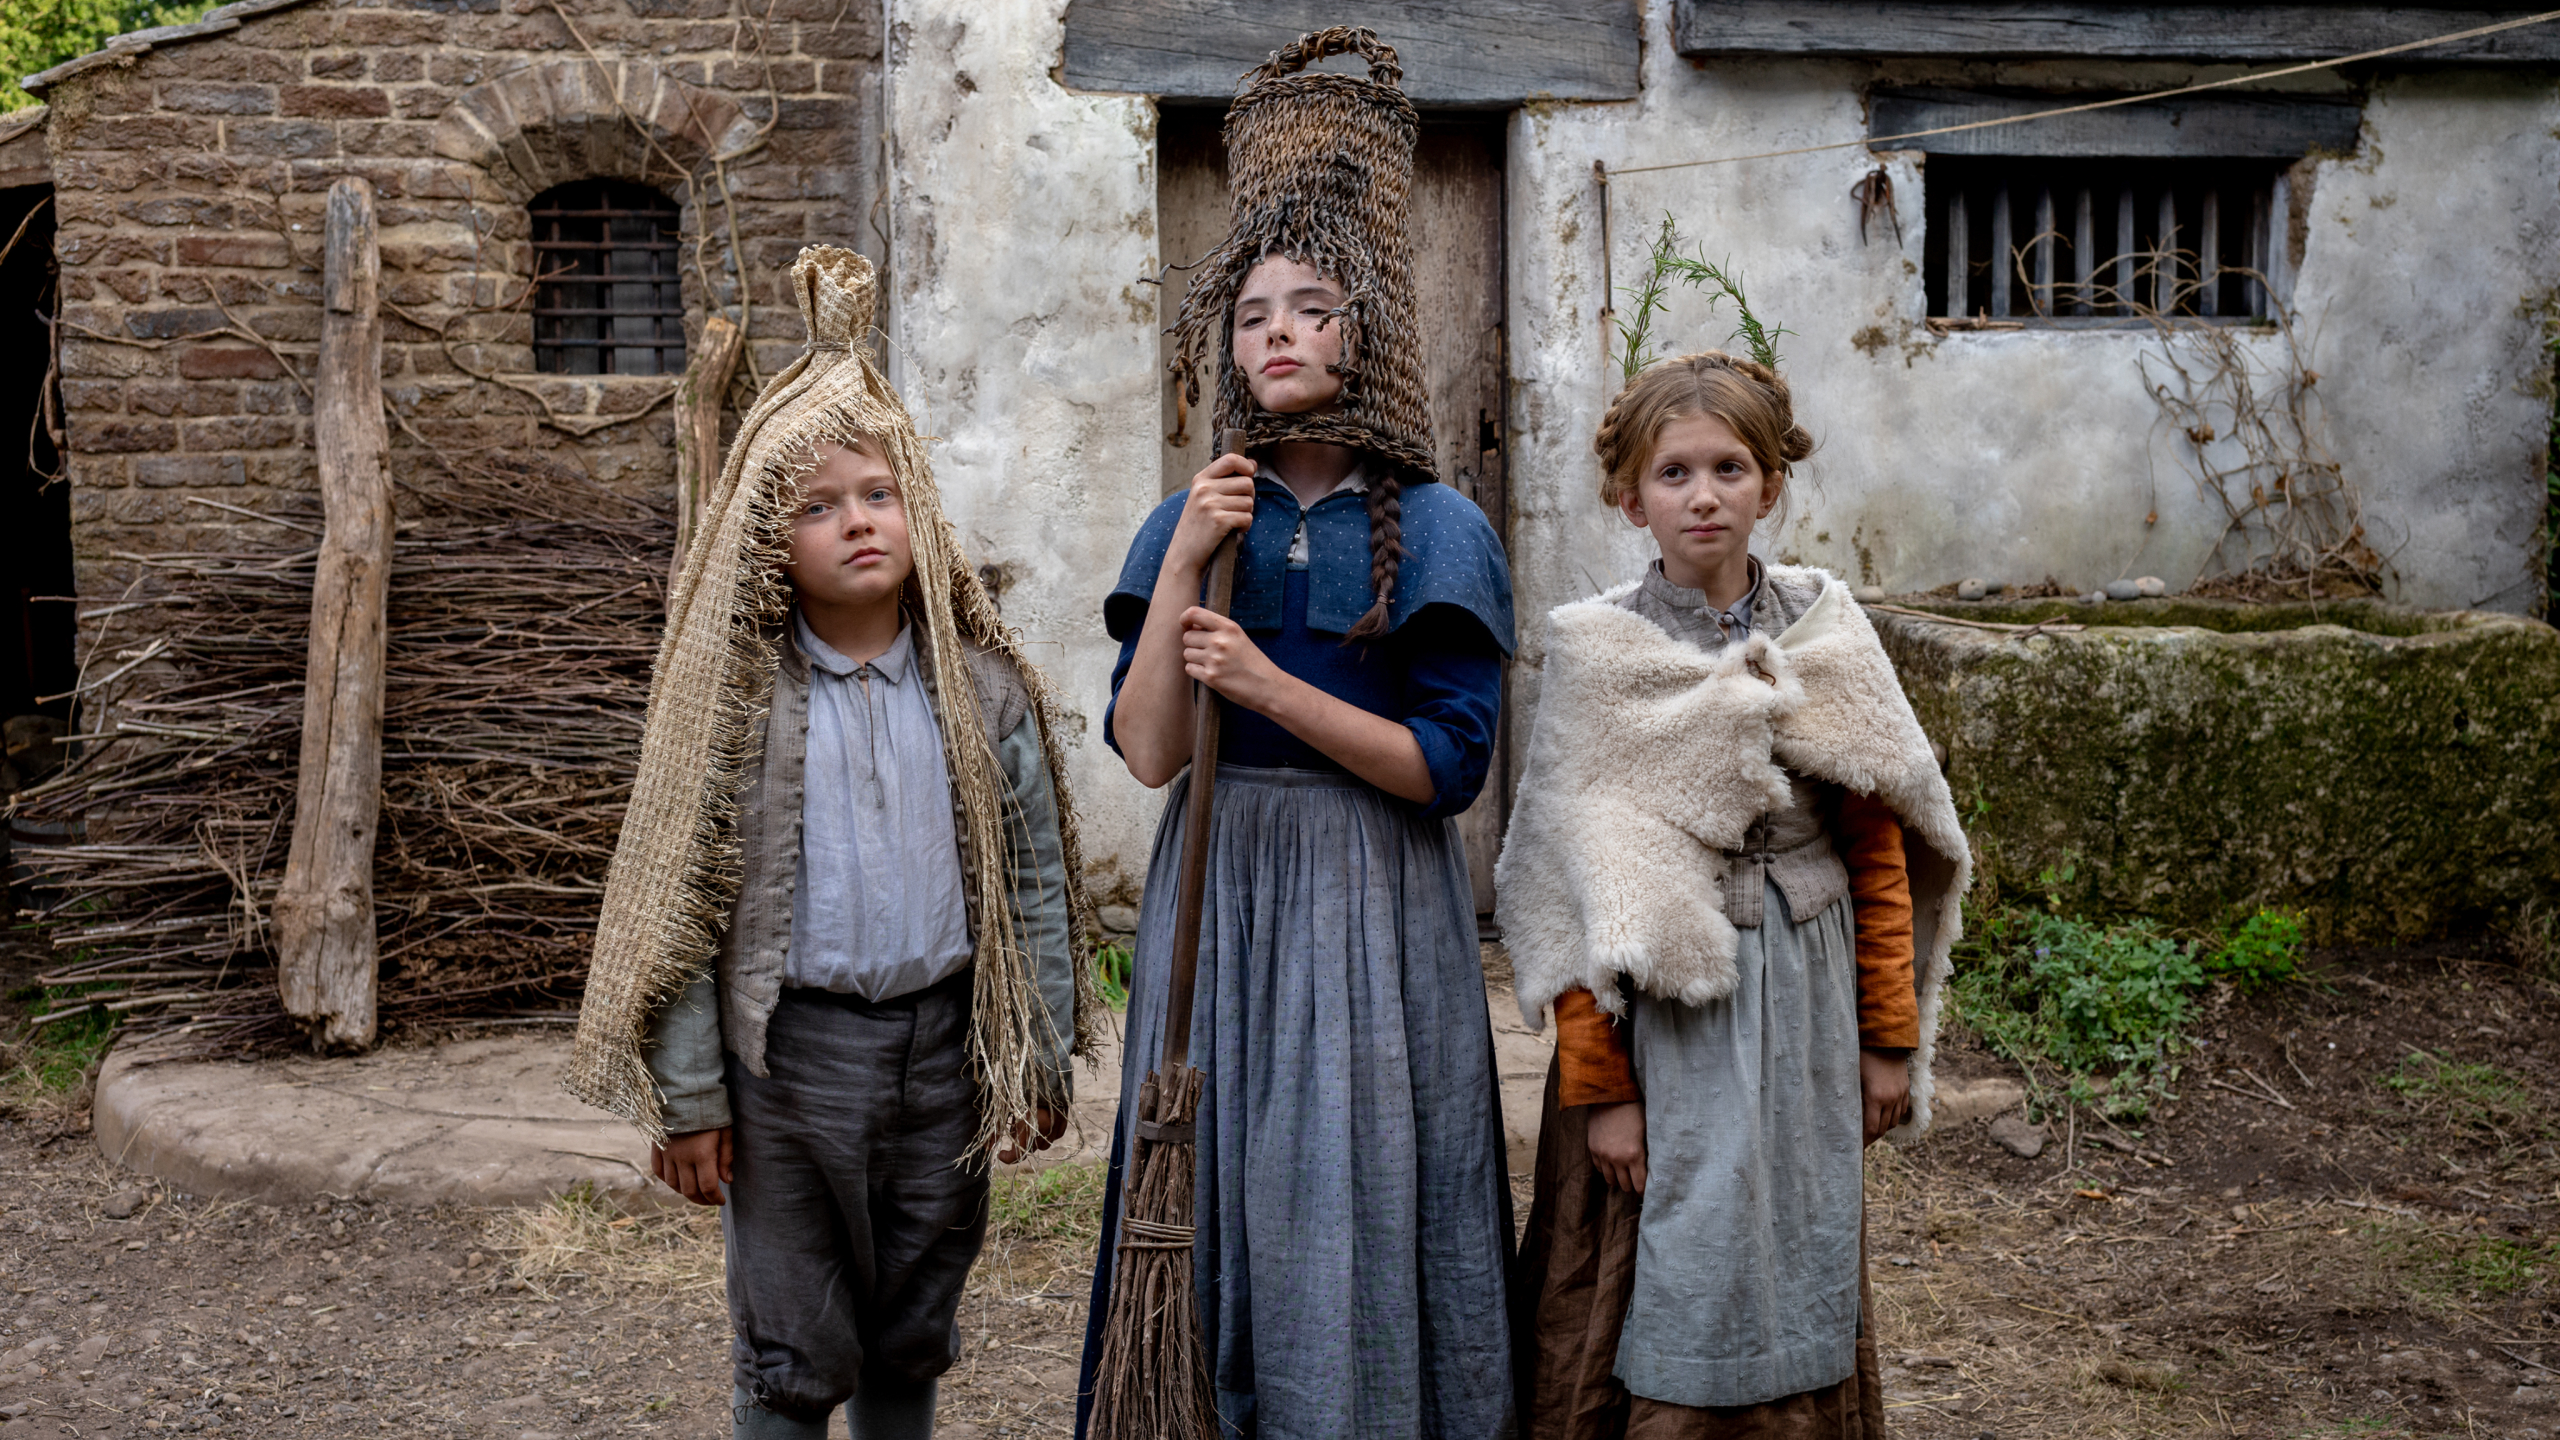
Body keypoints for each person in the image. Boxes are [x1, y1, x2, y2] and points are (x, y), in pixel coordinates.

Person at [564, 246, 1101, 1440]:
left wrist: (1039, 1049)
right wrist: (692, 1092)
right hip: (787, 1066)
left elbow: (1031, 884)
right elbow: (682, 907)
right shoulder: (734, 707)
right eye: (815, 506)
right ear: (768, 539)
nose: (856, 522)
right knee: (791, 1351)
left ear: (917, 507)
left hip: (944, 1053)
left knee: (911, 1329)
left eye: (877, 494)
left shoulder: (981, 690)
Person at [1074, 28, 1520, 1439]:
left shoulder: (1443, 533)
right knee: (1219, 1181)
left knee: (1353, 1173)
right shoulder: (1191, 518)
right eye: (1253, 309)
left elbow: (1444, 774)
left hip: (1367, 898)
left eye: (1311, 307)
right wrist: (1191, 568)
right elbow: (1150, 754)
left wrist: (1268, 690)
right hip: (1216, 891)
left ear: (1365, 337)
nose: (1275, 329)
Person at [1498, 350, 1973, 1440]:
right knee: (1672, 1233)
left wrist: (1888, 1037)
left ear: (1769, 485)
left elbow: (1878, 846)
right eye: (1673, 473)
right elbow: (1564, 892)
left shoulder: (1821, 632)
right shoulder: (1601, 656)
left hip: (1802, 1006)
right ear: (1630, 497)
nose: (1701, 494)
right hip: (1662, 1030)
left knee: (1788, 1231)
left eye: (1727, 468)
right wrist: (1601, 1092)